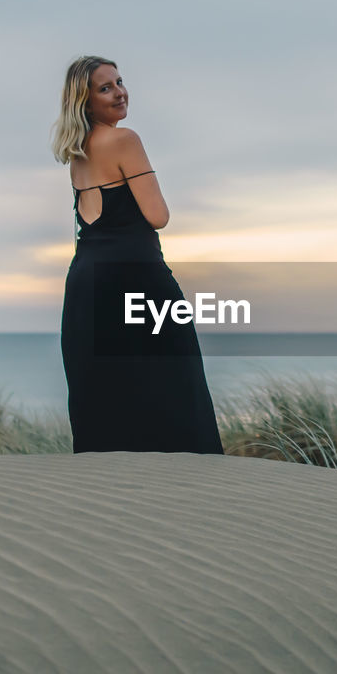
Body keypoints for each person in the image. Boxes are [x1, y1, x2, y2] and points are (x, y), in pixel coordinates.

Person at [50, 55, 225, 454]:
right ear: (85, 100)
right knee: (178, 386)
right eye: (105, 87)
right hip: (137, 279)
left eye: (120, 82)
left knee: (105, 396)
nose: (120, 92)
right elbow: (158, 216)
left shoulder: (77, 152)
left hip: (85, 284)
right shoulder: (124, 140)